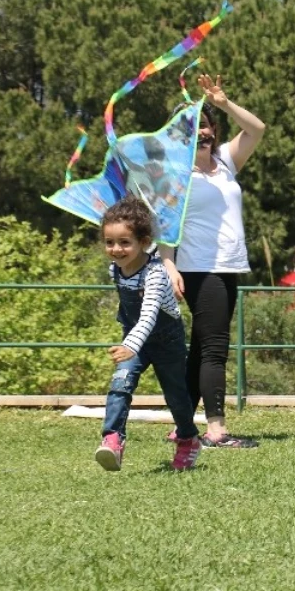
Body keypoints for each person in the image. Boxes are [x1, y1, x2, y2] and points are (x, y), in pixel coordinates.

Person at [159, 74, 266, 449]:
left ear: (212, 128)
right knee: (215, 348)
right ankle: (216, 430)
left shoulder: (225, 163)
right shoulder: (174, 176)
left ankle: (182, 426)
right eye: (190, 127)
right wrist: (168, 265)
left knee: (203, 346)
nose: (199, 132)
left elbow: (257, 129)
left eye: (203, 124)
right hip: (198, 267)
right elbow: (165, 227)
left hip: (228, 265)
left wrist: (222, 102)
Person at [95, 196, 202, 472]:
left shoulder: (155, 273)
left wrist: (130, 344)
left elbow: (149, 314)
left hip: (167, 343)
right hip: (136, 341)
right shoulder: (115, 270)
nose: (116, 249)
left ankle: (188, 440)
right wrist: (130, 343)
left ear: (143, 242)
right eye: (109, 242)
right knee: (120, 384)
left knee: (176, 397)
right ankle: (113, 439)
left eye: (124, 242)